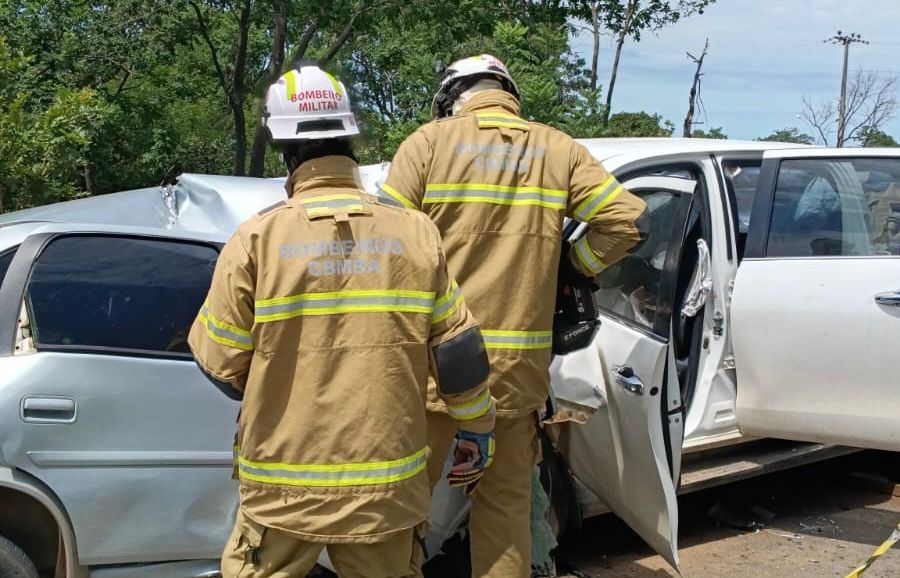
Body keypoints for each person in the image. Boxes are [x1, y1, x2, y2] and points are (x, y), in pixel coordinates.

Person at [188, 64, 496, 578]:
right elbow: (458, 357)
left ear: (283, 147)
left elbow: (220, 363)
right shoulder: (416, 233)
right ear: (349, 136)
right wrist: (478, 427)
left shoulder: (256, 240)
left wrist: (280, 381)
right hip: (386, 491)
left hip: (282, 494)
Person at [381, 54, 649, 577]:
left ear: (450, 98)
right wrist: (572, 264)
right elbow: (627, 221)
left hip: (429, 371)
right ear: (508, 93)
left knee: (400, 512)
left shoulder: (428, 144)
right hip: (513, 376)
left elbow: (387, 243)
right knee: (504, 516)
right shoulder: (558, 148)